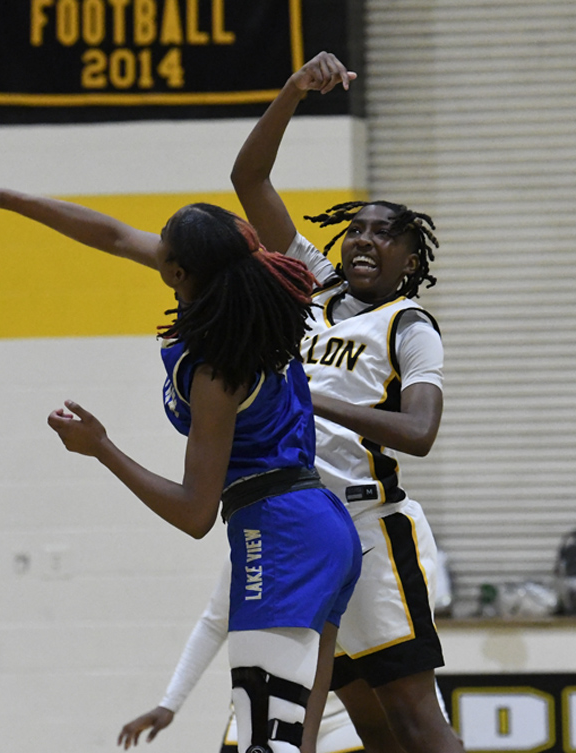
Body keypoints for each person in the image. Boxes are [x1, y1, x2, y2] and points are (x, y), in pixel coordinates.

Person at [0, 188, 362, 753]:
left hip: (280, 533)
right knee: (291, 743)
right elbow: (113, 235)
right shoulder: (242, 293)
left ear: (178, 272)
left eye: (162, 245)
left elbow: (195, 513)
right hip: (316, 526)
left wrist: (102, 448)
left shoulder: (217, 369)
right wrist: (4, 198)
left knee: (266, 745)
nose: (149, 246)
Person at [230, 52, 462, 752]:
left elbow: (418, 431)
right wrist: (293, 90)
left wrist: (312, 399)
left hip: (369, 525)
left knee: (418, 722)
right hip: (309, 530)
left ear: (409, 262)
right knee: (372, 728)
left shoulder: (408, 326)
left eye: (384, 232)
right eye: (357, 227)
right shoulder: (314, 287)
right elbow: (249, 179)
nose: (365, 238)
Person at [117, 556, 364, 753]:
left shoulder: (342, 540)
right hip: (255, 718)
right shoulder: (247, 542)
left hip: (337, 723)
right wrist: (169, 703)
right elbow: (213, 624)